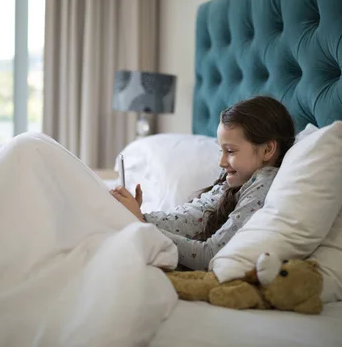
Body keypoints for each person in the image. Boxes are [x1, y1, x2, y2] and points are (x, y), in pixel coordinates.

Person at [110, 96, 296, 271]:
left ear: (268, 149)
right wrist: (139, 215)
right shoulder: (236, 182)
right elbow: (187, 220)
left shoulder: (261, 187)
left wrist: (141, 223)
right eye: (221, 150)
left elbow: (211, 255)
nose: (221, 162)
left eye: (230, 151)